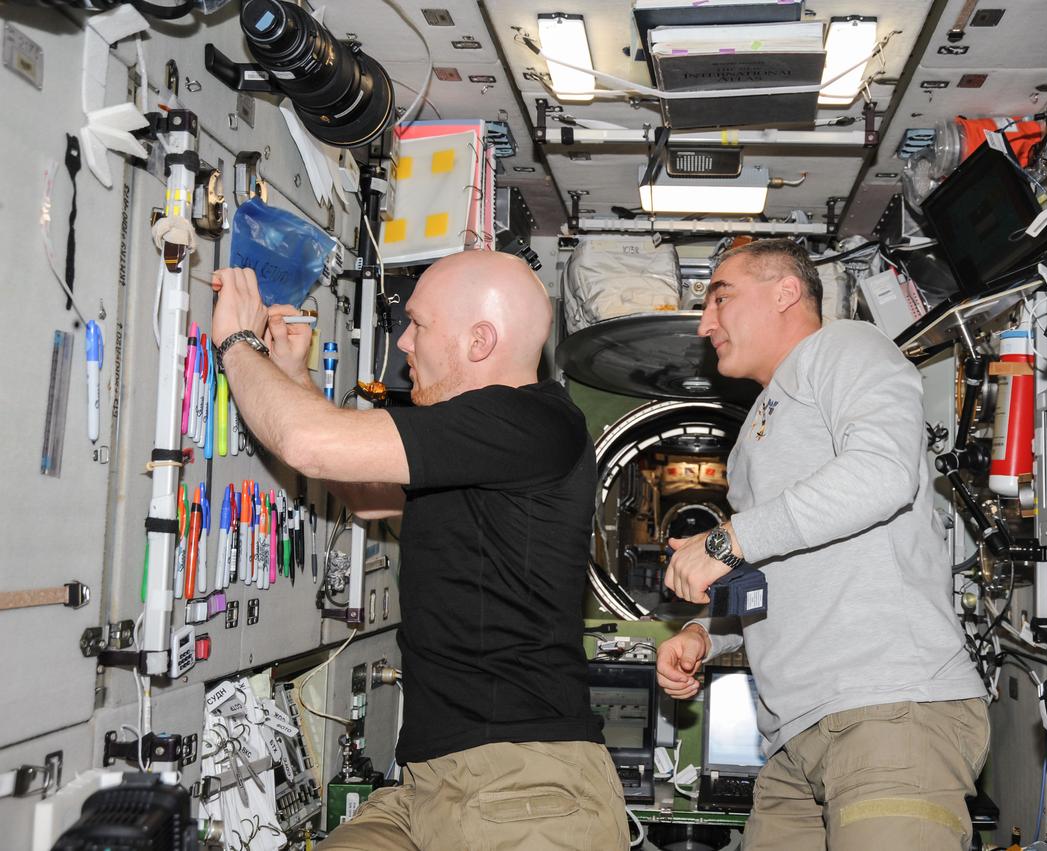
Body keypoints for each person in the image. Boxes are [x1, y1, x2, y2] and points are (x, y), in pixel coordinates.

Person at [210, 252, 628, 850]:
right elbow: (364, 495)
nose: (404, 341)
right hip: (428, 784)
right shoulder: (486, 441)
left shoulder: (532, 423)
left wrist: (237, 343)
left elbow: (309, 442)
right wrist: (290, 373)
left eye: (419, 324)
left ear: (480, 340)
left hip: (522, 788)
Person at [655, 239, 988, 850]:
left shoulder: (846, 347)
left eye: (719, 298)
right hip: (794, 739)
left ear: (785, 293)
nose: (705, 324)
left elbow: (882, 475)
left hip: (886, 709)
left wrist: (724, 542)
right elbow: (773, 576)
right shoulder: (756, 431)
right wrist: (707, 632)